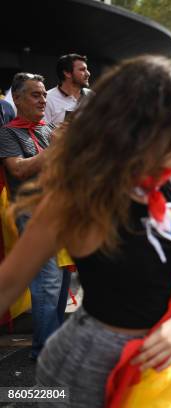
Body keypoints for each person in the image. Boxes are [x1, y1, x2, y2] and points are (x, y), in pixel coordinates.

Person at [0, 56, 171, 406]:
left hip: (159, 360)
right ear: (143, 126)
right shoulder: (77, 196)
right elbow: (8, 285)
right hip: (82, 369)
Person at [0, 72, 70, 360]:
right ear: (17, 99)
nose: (43, 100)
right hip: (33, 215)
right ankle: (44, 349)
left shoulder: (48, 128)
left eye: (44, 94)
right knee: (48, 284)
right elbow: (18, 169)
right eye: (35, 95)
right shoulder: (7, 132)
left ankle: (52, 343)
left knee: (62, 283)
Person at [44, 53, 92, 125]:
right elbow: (42, 133)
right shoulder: (47, 99)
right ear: (67, 73)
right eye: (82, 70)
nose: (88, 73)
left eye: (87, 69)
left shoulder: (92, 95)